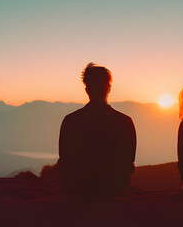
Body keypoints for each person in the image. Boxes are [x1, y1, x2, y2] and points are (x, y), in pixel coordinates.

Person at [57, 62, 136, 201]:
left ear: (87, 90)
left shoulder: (70, 121)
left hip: (78, 190)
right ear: (109, 88)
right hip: (113, 191)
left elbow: (64, 162)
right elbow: (128, 166)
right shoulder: (125, 122)